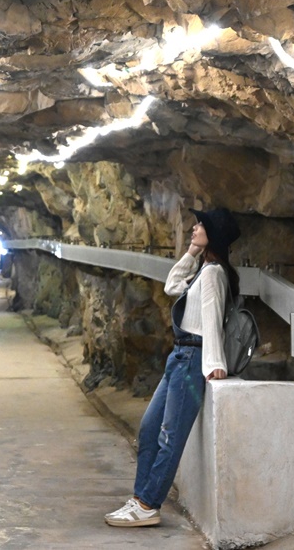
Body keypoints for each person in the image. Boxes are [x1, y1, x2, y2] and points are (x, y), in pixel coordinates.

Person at [104, 207, 242, 527]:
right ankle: (140, 498)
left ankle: (149, 505)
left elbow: (211, 321)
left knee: (169, 437)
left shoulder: (213, 274)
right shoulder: (202, 269)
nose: (193, 228)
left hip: (192, 360)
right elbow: (172, 285)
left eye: (200, 226)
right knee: (149, 430)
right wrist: (192, 251)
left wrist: (215, 364)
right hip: (177, 358)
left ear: (214, 235)